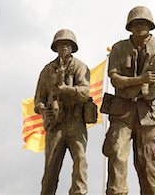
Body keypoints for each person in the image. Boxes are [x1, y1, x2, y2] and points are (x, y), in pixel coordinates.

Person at [102, 6, 155, 195]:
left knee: (147, 163)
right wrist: (140, 80)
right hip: (122, 111)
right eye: (136, 23)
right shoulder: (119, 49)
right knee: (117, 153)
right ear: (130, 26)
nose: (140, 26)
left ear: (150, 25)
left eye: (143, 23)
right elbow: (115, 79)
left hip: (148, 112)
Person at [34, 29, 90, 195]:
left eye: (67, 45)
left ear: (72, 47)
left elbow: (85, 92)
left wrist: (67, 90)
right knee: (51, 167)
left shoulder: (80, 67)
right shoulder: (47, 71)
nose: (64, 47)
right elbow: (38, 100)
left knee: (80, 160)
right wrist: (44, 111)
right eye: (60, 45)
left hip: (75, 121)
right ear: (56, 47)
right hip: (55, 124)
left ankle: (79, 193)